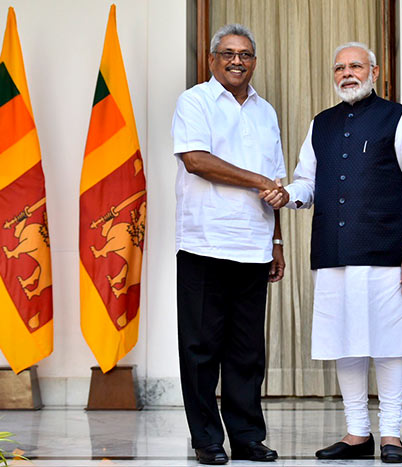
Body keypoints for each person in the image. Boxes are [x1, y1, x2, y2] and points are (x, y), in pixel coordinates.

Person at [262, 42, 402, 463]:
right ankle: (357, 433)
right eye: (339, 67)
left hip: (387, 253)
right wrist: (287, 195)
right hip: (333, 253)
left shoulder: (398, 118)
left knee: (389, 343)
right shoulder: (320, 123)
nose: (347, 73)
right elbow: (307, 183)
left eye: (356, 65)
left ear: (374, 72)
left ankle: (391, 434)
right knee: (347, 343)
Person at [171, 23, 288, 465]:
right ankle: (206, 440)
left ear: (254, 61)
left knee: (246, 351)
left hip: (254, 247)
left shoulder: (266, 111)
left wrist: (276, 239)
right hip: (205, 242)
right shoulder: (194, 101)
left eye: (245, 54)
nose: (237, 61)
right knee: (201, 349)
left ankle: (246, 437)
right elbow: (196, 160)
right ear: (212, 59)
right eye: (228, 53)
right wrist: (257, 180)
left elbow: (275, 184)